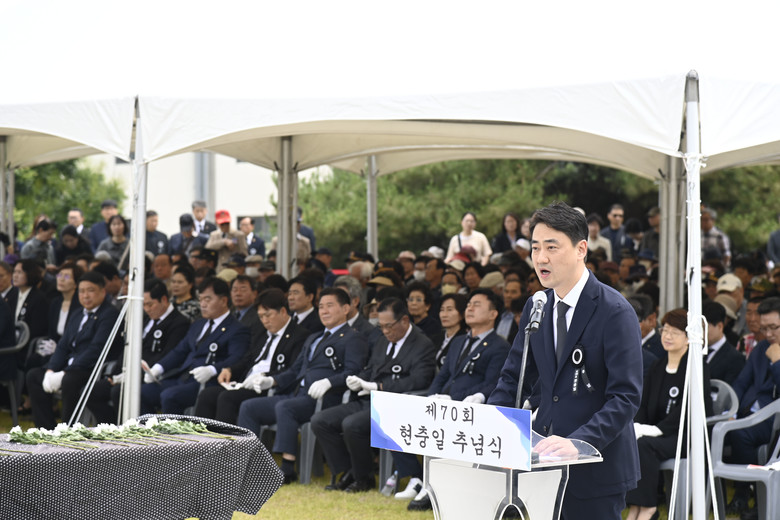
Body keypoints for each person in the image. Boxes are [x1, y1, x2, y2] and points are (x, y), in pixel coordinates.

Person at [489, 201, 643, 520]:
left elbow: (625, 397)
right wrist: (493, 428)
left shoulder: (614, 311)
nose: (541, 258)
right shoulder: (537, 305)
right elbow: (513, 378)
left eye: (551, 247)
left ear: (581, 249)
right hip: (541, 463)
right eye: (535, 248)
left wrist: (580, 442)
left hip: (596, 468)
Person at [236, 288, 370, 484]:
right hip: (297, 394)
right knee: (249, 407)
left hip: (324, 399)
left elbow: (354, 371)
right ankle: (248, 465)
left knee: (286, 407)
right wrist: (272, 380)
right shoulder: (314, 338)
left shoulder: (353, 338)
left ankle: (287, 468)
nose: (324, 311)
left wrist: (329, 382)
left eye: (330, 306)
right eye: (321, 307)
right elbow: (295, 370)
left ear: (346, 309)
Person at [399, 288, 510, 510]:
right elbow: (443, 376)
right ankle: (418, 478)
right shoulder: (458, 341)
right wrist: (432, 398)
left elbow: (492, 383)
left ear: (493, 314)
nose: (469, 308)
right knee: (401, 414)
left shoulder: (500, 346)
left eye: (477, 305)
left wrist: (452, 398)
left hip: (471, 408)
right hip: (444, 402)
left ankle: (434, 488)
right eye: (468, 304)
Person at [311, 297, 436, 492]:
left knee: (352, 424)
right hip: (368, 399)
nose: (385, 331)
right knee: (320, 420)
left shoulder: (422, 344)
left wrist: (378, 386)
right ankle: (348, 470)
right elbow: (371, 368)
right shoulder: (382, 340)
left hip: (395, 405)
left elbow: (418, 381)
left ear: (404, 320)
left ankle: (364, 479)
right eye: (381, 326)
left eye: (389, 326)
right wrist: (358, 380)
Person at [625, 309, 713, 520]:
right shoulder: (658, 364)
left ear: (689, 337)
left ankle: (648, 508)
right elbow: (644, 402)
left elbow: (689, 408)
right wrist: (638, 426)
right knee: (630, 441)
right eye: (665, 330)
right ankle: (635, 507)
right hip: (657, 433)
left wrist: (657, 430)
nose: (667, 336)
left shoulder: (696, 367)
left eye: (675, 332)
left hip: (686, 436)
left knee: (644, 445)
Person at [194, 288, 309, 424]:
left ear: (283, 311)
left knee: (227, 398)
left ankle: (225, 438)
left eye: (268, 315)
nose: (265, 321)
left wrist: (265, 376)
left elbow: (293, 370)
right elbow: (248, 359)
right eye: (261, 316)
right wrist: (230, 370)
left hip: (267, 385)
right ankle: (199, 436)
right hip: (246, 382)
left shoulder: (299, 335)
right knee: (207, 394)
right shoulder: (261, 331)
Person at [140, 277, 251, 414]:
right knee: (142, 392)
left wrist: (212, 369)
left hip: (207, 382)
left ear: (223, 301)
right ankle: (148, 428)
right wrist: (158, 368)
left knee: (170, 396)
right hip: (184, 377)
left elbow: (236, 358)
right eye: (200, 299)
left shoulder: (237, 329)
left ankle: (174, 429)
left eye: (207, 300)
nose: (202, 304)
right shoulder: (198, 324)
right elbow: (180, 350)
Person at [26, 271, 121, 429]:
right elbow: (63, 346)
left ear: (103, 292)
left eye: (90, 290)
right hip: (70, 366)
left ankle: (67, 429)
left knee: (69, 380)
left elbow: (96, 349)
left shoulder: (109, 314)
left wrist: (64, 373)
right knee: (34, 375)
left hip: (91, 368)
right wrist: (51, 370)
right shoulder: (77, 313)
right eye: (81, 291)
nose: (85, 295)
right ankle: (46, 429)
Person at [88, 279, 190, 423]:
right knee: (92, 392)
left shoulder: (179, 322)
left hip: (152, 375)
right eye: (143, 304)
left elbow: (167, 354)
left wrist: (135, 374)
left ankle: (135, 428)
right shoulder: (144, 319)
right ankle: (110, 426)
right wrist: (115, 373)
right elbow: (128, 347)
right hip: (127, 373)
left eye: (150, 304)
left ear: (164, 300)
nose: (146, 309)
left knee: (120, 392)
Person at [724, 296, 780, 516]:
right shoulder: (762, 347)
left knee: (741, 434)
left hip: (773, 419)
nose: (768, 334)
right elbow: (741, 382)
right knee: (719, 429)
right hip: (749, 412)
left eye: (774, 327)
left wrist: (777, 363)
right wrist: (731, 411)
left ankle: (745, 494)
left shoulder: (772, 351)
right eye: (764, 328)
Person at [702, 299, 745, 384]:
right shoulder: (692, 350)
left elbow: (729, 389)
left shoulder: (735, 358)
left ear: (719, 326)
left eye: (703, 328)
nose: (699, 333)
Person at [430, 293, 468, 369]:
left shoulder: (465, 340)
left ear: (462, 314)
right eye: (442, 310)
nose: (444, 315)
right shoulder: (434, 338)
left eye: (449, 310)